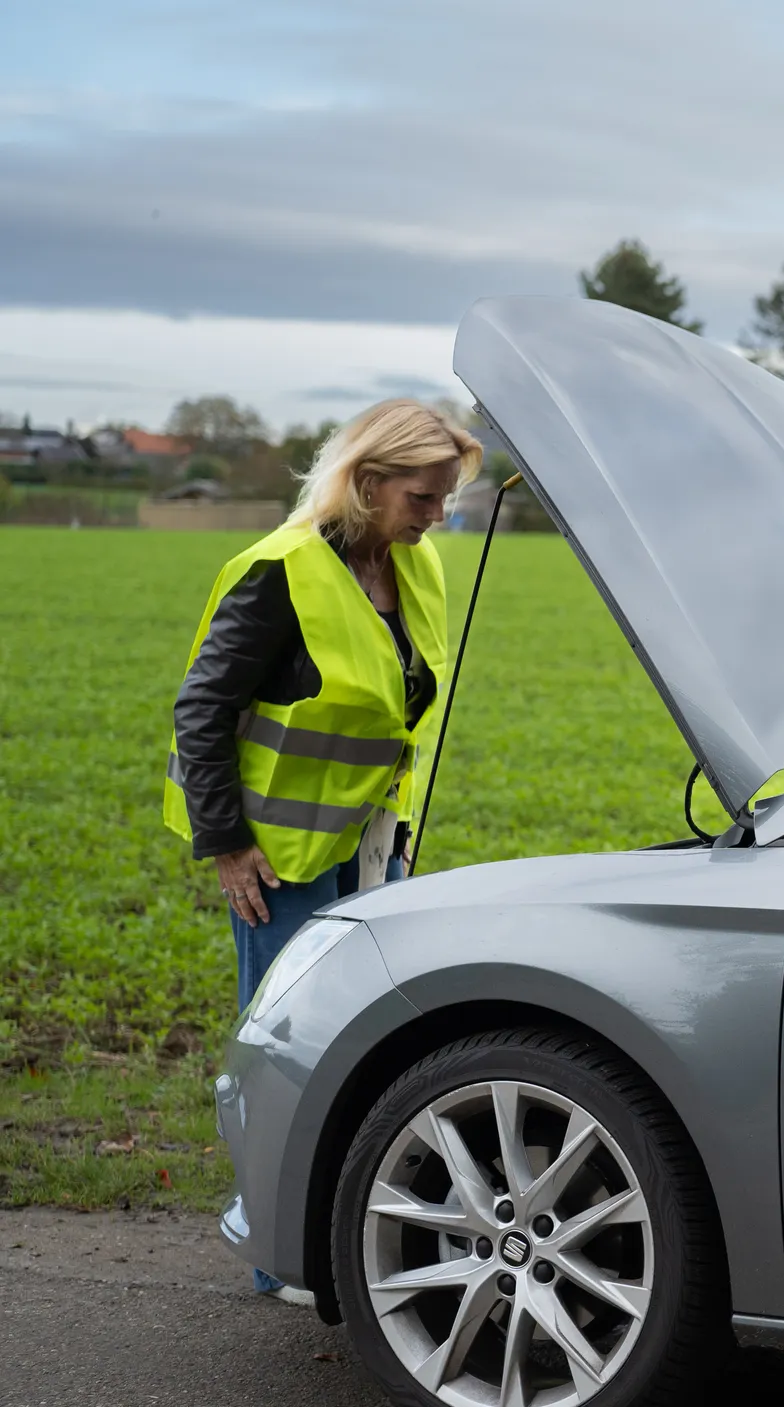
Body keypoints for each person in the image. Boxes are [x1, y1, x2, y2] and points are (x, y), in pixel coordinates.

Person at [164, 399, 479, 1300]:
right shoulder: (281, 572)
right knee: (290, 1052)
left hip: (374, 848)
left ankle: (347, 1237)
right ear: (369, 481)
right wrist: (225, 844)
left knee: (371, 1041)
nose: (437, 515)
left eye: (447, 497)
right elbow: (202, 711)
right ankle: (277, 1255)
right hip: (280, 862)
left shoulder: (413, 568)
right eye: (424, 496)